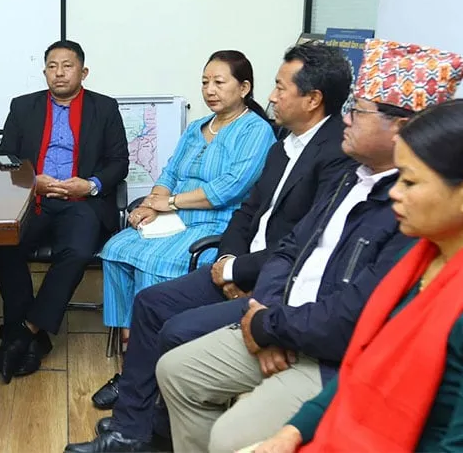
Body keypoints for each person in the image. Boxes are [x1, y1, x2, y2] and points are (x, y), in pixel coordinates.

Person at [145, 40, 463, 453]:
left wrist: (269, 326)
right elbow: (290, 249)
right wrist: (264, 315)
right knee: (176, 370)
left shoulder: (411, 208)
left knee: (228, 435)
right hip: (280, 318)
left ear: (402, 128)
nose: (345, 119)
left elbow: (355, 310)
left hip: (326, 354)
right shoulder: (352, 176)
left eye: (358, 111)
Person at [252, 99, 463, 453]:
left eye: (409, 181)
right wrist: (292, 432)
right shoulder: (420, 259)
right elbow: (361, 369)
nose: (394, 192)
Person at [76, 43, 355, 446]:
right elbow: (249, 211)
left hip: (268, 281)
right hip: (239, 258)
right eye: (204, 81)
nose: (272, 96)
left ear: (312, 99)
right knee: (146, 297)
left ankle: (151, 424)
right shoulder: (286, 145)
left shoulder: (333, 157)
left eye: (280, 87)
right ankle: (129, 428)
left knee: (170, 320)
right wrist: (227, 259)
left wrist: (236, 270)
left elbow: (296, 243)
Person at [99, 51, 275, 341]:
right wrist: (151, 204)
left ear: (244, 88)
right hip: (173, 218)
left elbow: (228, 188)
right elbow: (170, 172)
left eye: (219, 82)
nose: (209, 90)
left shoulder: (256, 130)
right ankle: (130, 333)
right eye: (205, 82)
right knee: (115, 249)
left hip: (215, 224)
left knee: (152, 261)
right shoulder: (197, 127)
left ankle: (150, 341)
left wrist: (168, 203)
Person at [0, 39, 129, 383]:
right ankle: (30, 336)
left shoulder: (104, 108)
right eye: (52, 66)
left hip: (81, 201)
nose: (59, 73)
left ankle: (24, 330)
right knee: (2, 243)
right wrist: (32, 181)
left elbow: (119, 162)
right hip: (34, 198)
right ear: (44, 72)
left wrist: (91, 184)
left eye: (67, 66)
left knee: (78, 251)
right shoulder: (23, 107)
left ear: (83, 72)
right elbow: (5, 157)